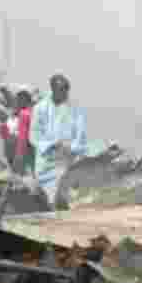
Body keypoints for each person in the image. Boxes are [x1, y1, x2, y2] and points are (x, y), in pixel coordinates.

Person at [29, 74, 87, 205]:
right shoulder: (40, 108)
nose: (65, 94)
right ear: (53, 90)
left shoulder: (75, 109)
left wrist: (72, 147)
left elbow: (81, 135)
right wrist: (52, 145)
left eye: (66, 90)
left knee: (68, 197)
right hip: (46, 163)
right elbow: (34, 136)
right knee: (50, 198)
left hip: (68, 161)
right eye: (62, 90)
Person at [12, 88, 35, 175]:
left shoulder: (24, 114)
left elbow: (23, 137)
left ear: (23, 101)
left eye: (17, 102)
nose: (15, 105)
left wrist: (19, 155)